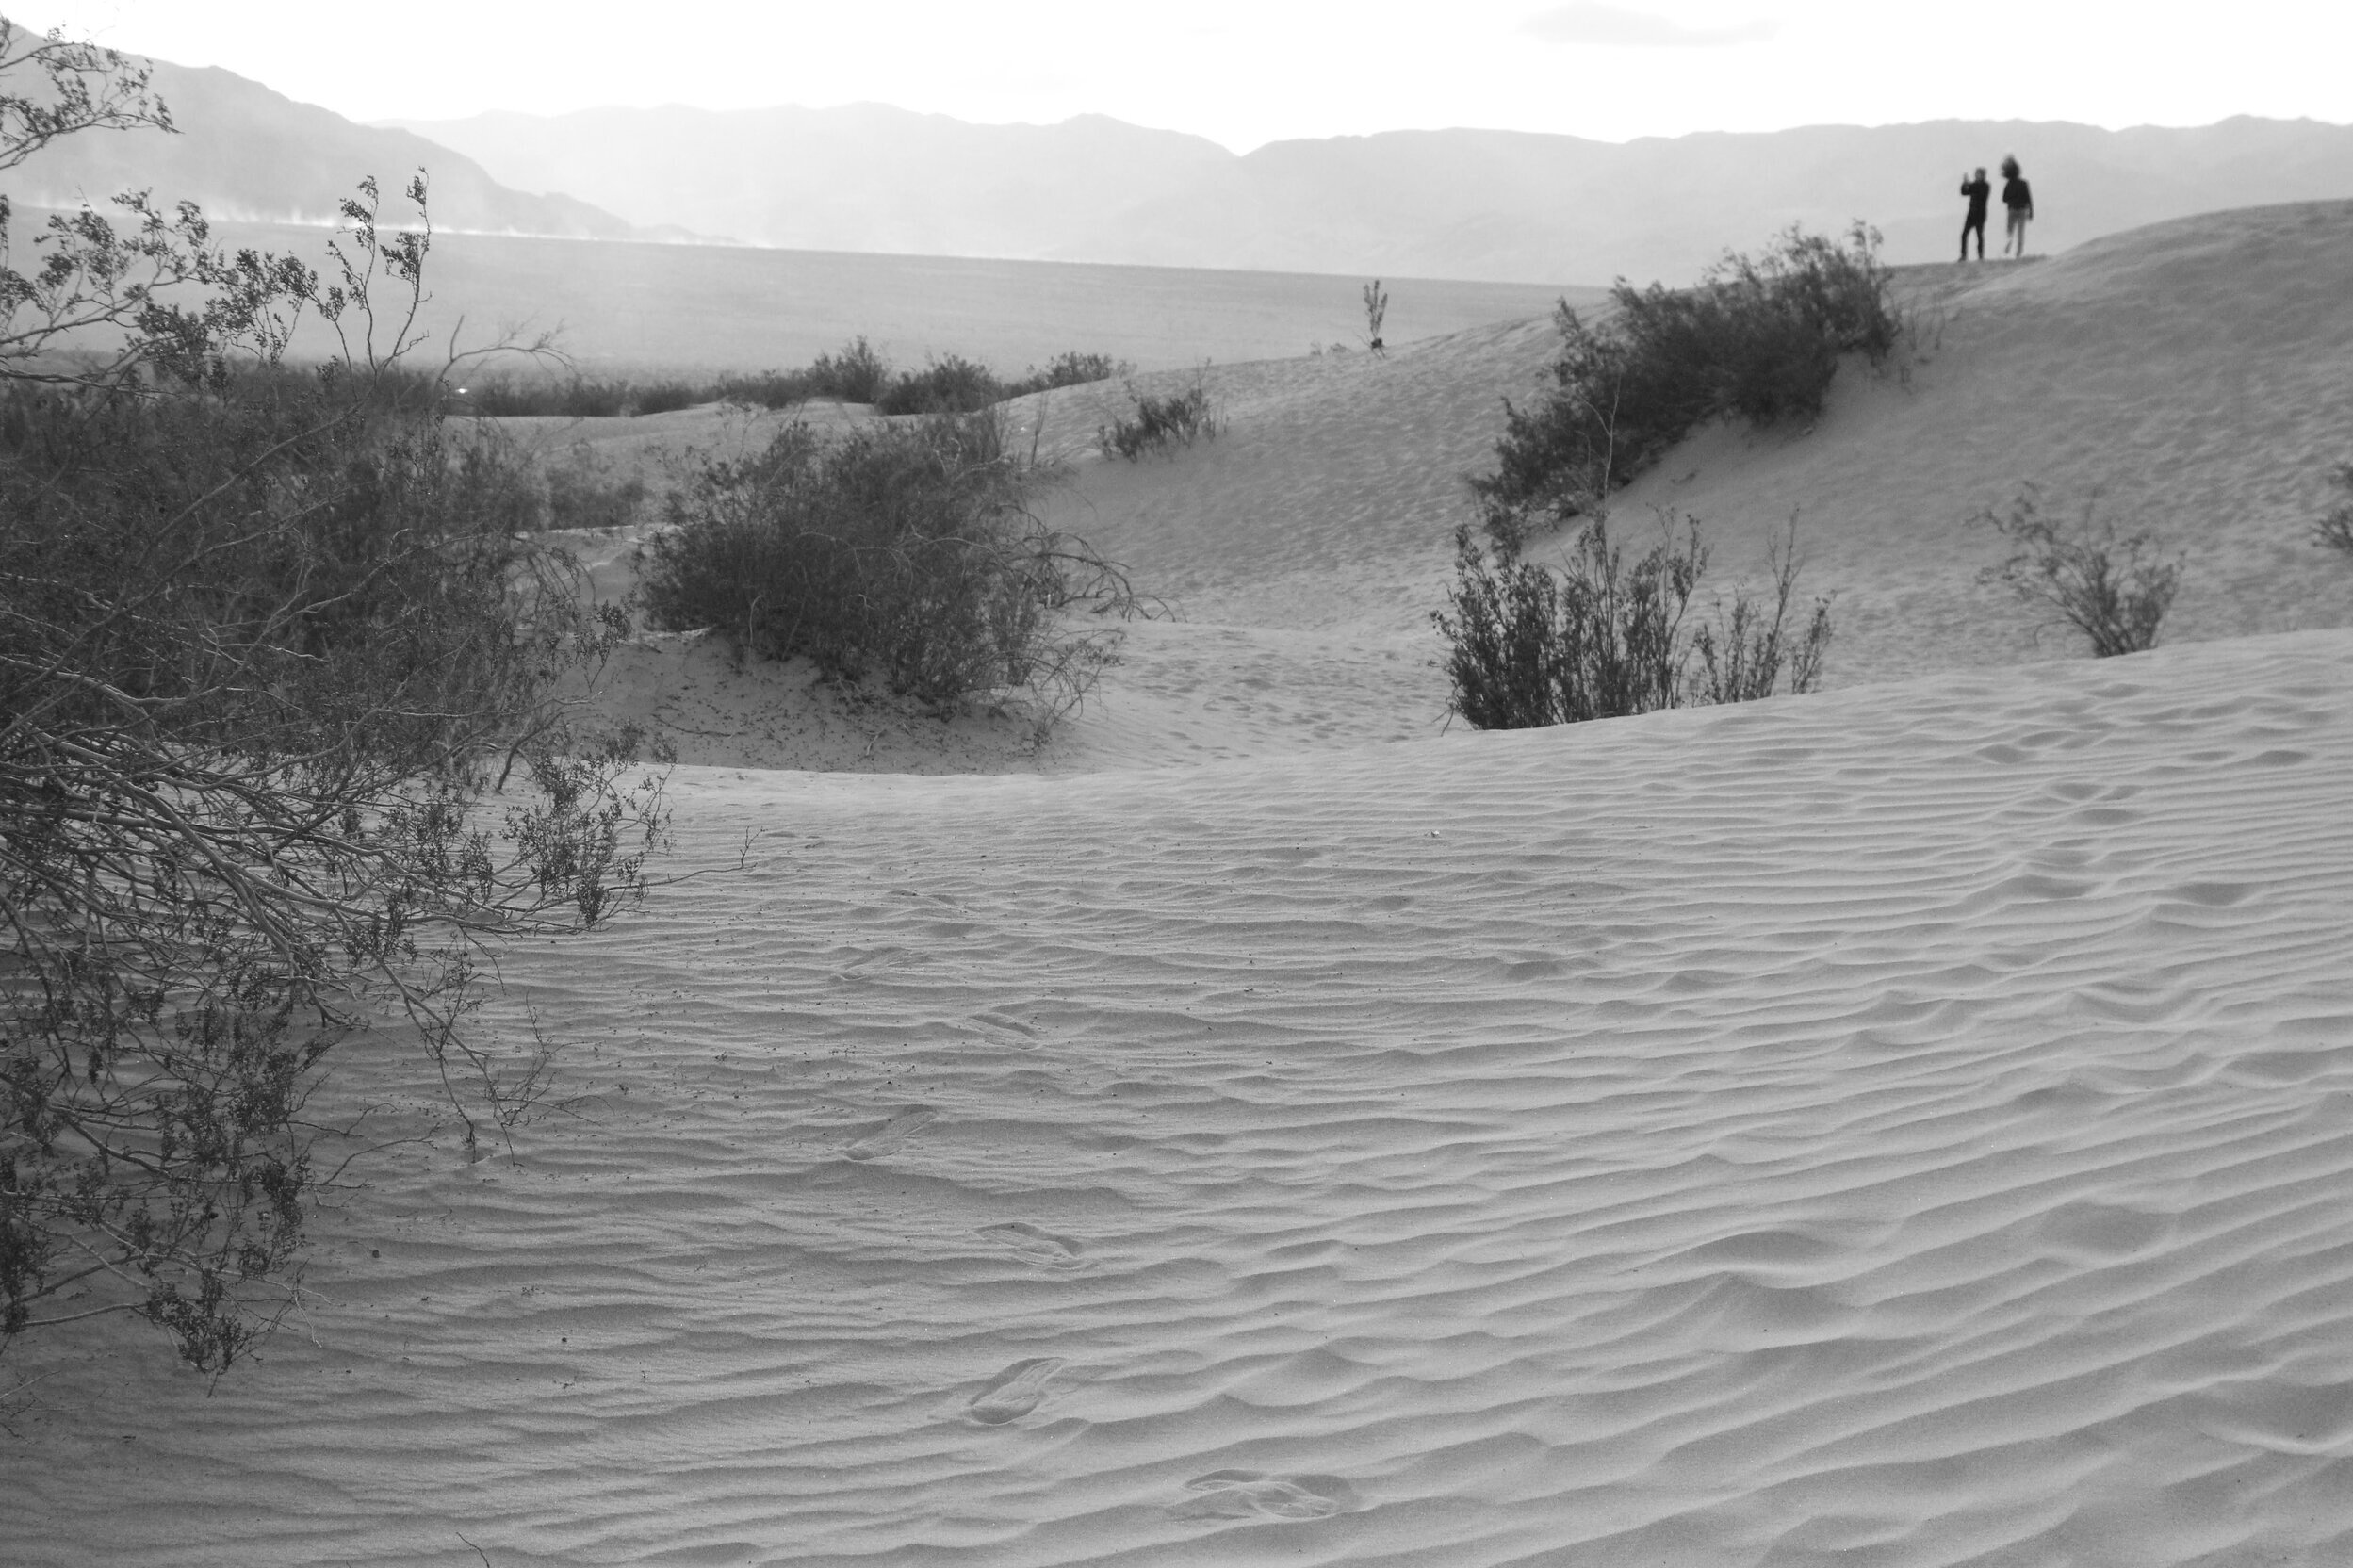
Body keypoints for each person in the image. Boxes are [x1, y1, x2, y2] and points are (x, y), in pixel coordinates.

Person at [2002, 155, 2034, 258]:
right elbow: (2029, 198)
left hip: (2012, 210)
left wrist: (2012, 198)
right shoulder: (2023, 183)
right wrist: (2031, 212)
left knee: (2010, 232)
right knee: (2021, 232)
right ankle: (2018, 253)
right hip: (2022, 210)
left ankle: (2007, 250)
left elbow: (2004, 199)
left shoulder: (2009, 184)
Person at [1959, 167, 1991, 260]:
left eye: (1978, 174)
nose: (1976, 176)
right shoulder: (1974, 185)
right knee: (1964, 234)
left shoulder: (1986, 186)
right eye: (1976, 174)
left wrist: (1969, 184)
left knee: (1979, 235)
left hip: (1980, 215)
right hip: (1971, 214)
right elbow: (1964, 192)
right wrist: (1964, 184)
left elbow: (1981, 193)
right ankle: (1963, 255)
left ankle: (1981, 255)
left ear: (1983, 175)